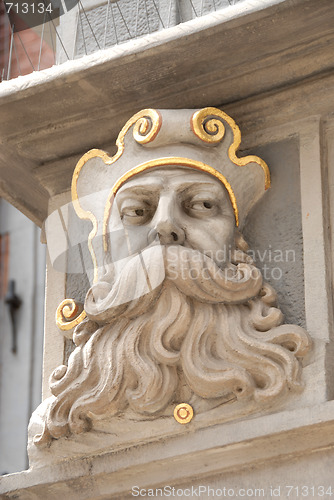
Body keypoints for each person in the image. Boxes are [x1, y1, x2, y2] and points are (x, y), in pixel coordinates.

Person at [28, 107, 311, 456]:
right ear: (105, 259)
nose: (165, 226)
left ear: (238, 246)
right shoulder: (57, 428)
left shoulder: (308, 383)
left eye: (202, 205)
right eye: (136, 212)